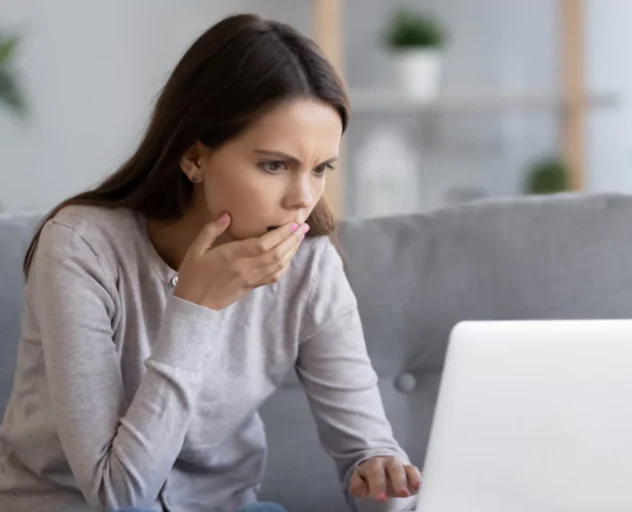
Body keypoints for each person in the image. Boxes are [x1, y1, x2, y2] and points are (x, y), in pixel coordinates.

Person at [0, 13, 420, 512]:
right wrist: (195, 308)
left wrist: (383, 480)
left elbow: (367, 453)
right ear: (194, 157)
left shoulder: (309, 264)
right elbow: (118, 497)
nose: (302, 199)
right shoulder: (80, 248)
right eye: (274, 165)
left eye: (321, 169)